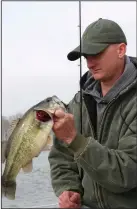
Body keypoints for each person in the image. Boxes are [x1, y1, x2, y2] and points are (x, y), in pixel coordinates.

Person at [48, 18, 137, 209]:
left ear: (121, 50)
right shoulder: (78, 103)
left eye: (96, 53)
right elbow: (61, 155)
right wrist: (69, 189)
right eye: (86, 56)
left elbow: (127, 172)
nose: (89, 63)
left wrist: (74, 139)